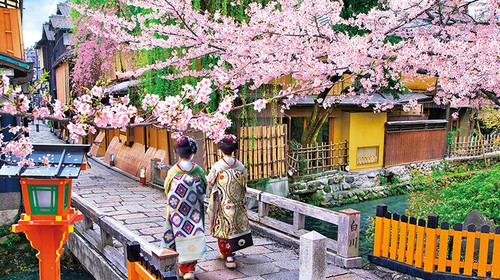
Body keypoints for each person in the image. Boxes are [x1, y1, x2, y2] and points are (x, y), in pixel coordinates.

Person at [162, 136, 207, 280]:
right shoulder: (198, 170)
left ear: (178, 152)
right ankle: (190, 269)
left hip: (176, 212)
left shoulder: (173, 171)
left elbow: (167, 188)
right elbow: (204, 187)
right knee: (193, 234)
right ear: (192, 153)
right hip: (193, 211)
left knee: (176, 236)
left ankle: (182, 267)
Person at [206, 134, 252, 269]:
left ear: (221, 149)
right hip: (236, 202)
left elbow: (209, 181)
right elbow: (245, 182)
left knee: (223, 226)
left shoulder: (218, 166)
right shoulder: (240, 166)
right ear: (234, 149)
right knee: (234, 226)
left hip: (222, 201)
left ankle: (228, 255)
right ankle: (230, 252)